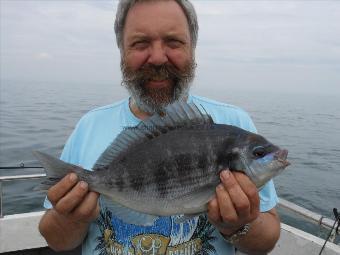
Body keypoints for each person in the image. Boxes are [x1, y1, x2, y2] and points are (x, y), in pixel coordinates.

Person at [38, 1, 281, 254]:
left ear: (193, 48)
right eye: (140, 43)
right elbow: (57, 240)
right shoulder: (89, 125)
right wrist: (71, 218)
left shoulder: (236, 121)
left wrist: (240, 225)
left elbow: (266, 243)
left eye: (173, 42)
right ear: (122, 50)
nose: (157, 58)